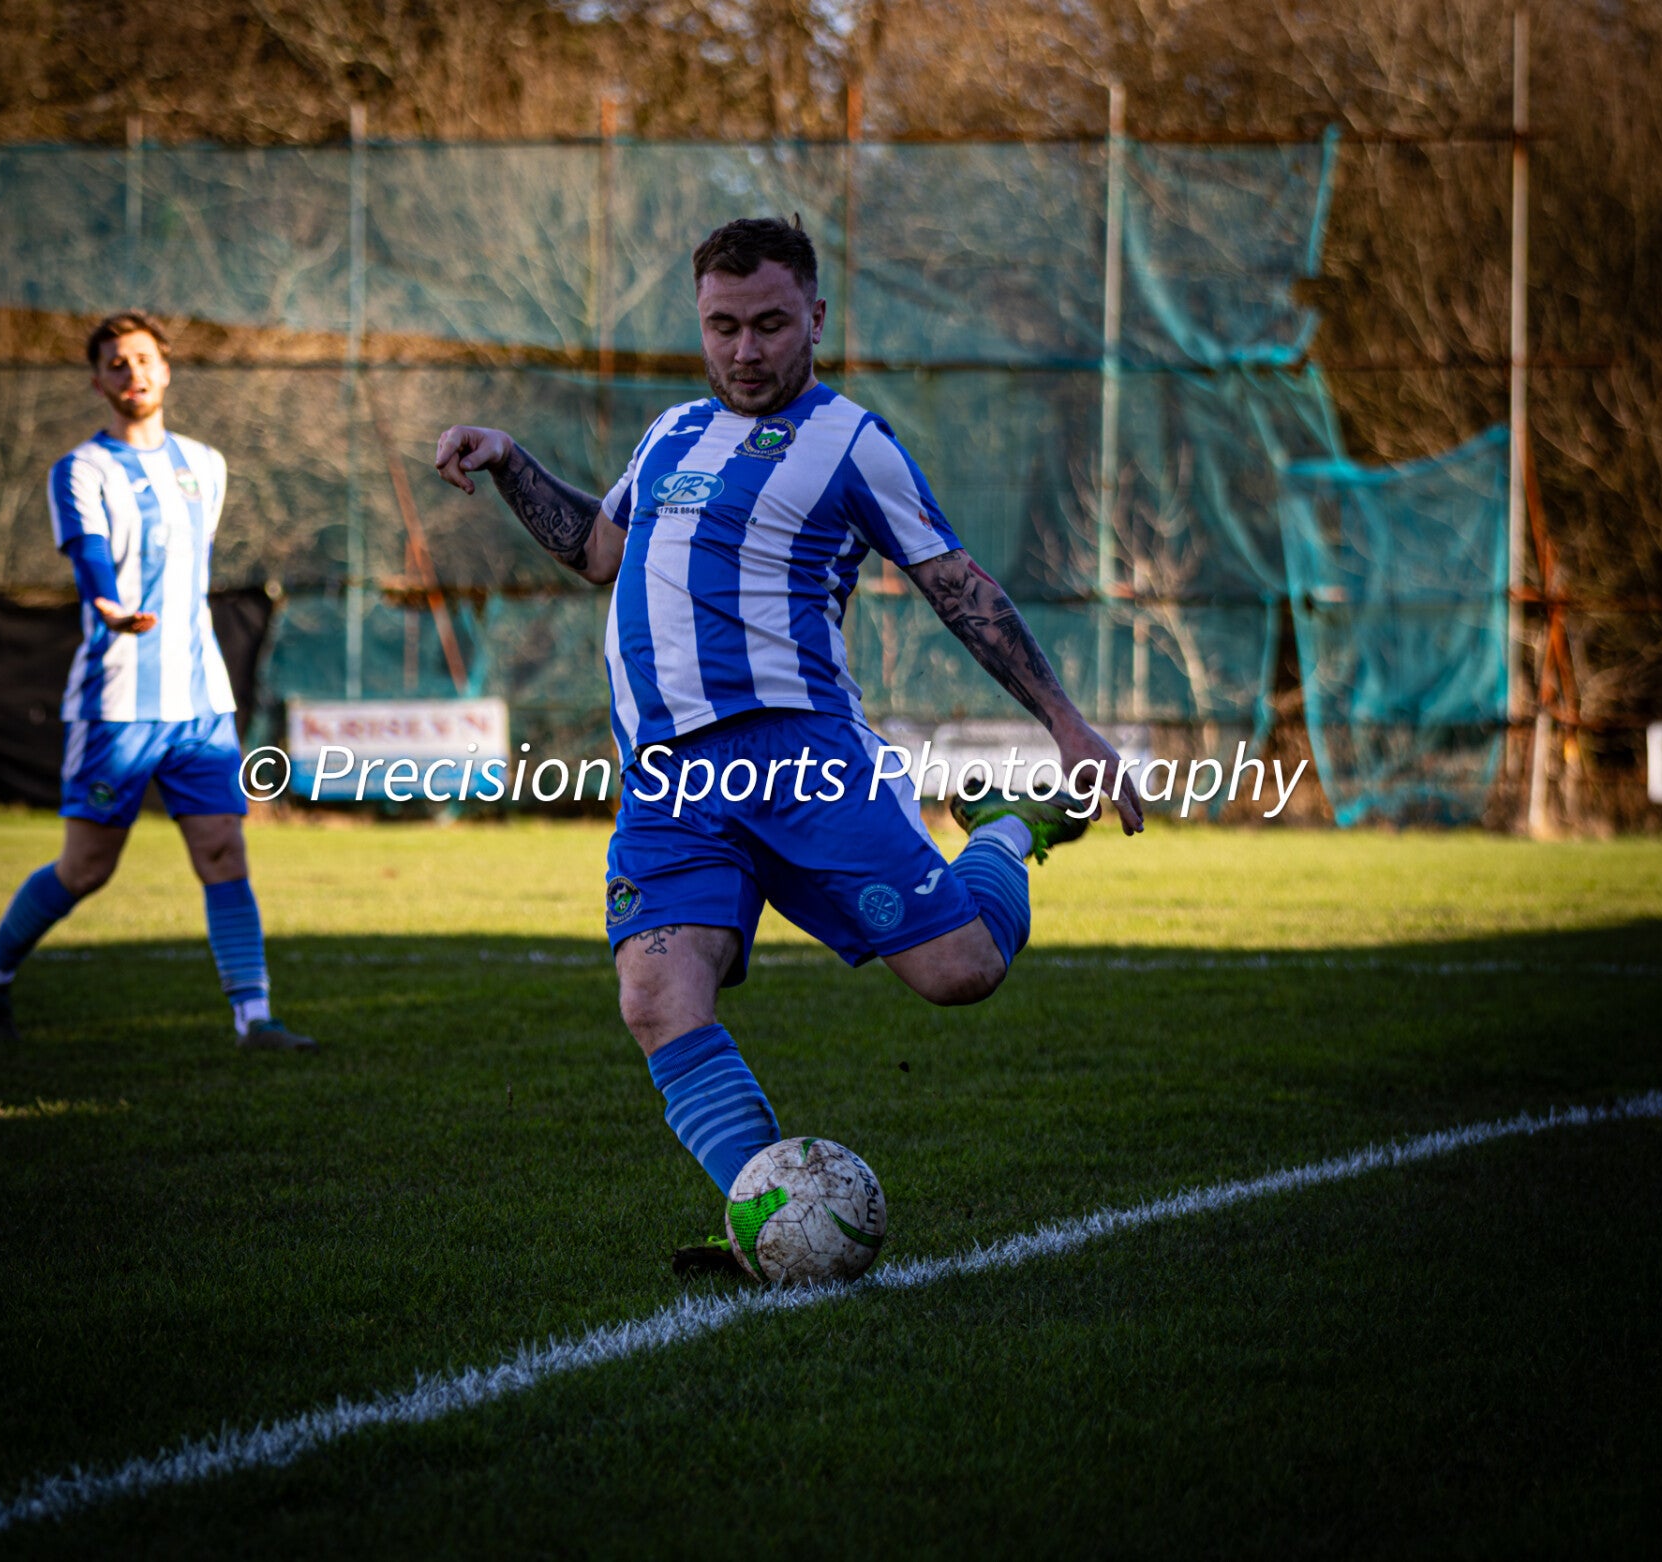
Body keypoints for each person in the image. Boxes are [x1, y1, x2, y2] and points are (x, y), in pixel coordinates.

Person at [435, 218, 1139, 1271]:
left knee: (958, 970)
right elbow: (595, 550)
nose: (745, 350)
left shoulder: (851, 442)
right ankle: (770, 1215)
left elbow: (957, 587)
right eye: (722, 327)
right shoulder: (669, 434)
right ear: (700, 324)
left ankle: (1001, 831)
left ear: (813, 315)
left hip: (800, 759)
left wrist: (1066, 725)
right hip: (668, 781)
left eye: (769, 323)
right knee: (655, 996)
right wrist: (508, 460)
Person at [0, 311, 314, 1052]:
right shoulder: (80, 470)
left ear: (166, 368)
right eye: (116, 364)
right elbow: (89, 550)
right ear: (98, 381)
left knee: (222, 851)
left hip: (201, 702)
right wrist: (108, 605)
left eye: (144, 359)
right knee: (86, 867)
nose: (133, 374)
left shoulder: (205, 465)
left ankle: (254, 1020)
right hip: (117, 703)